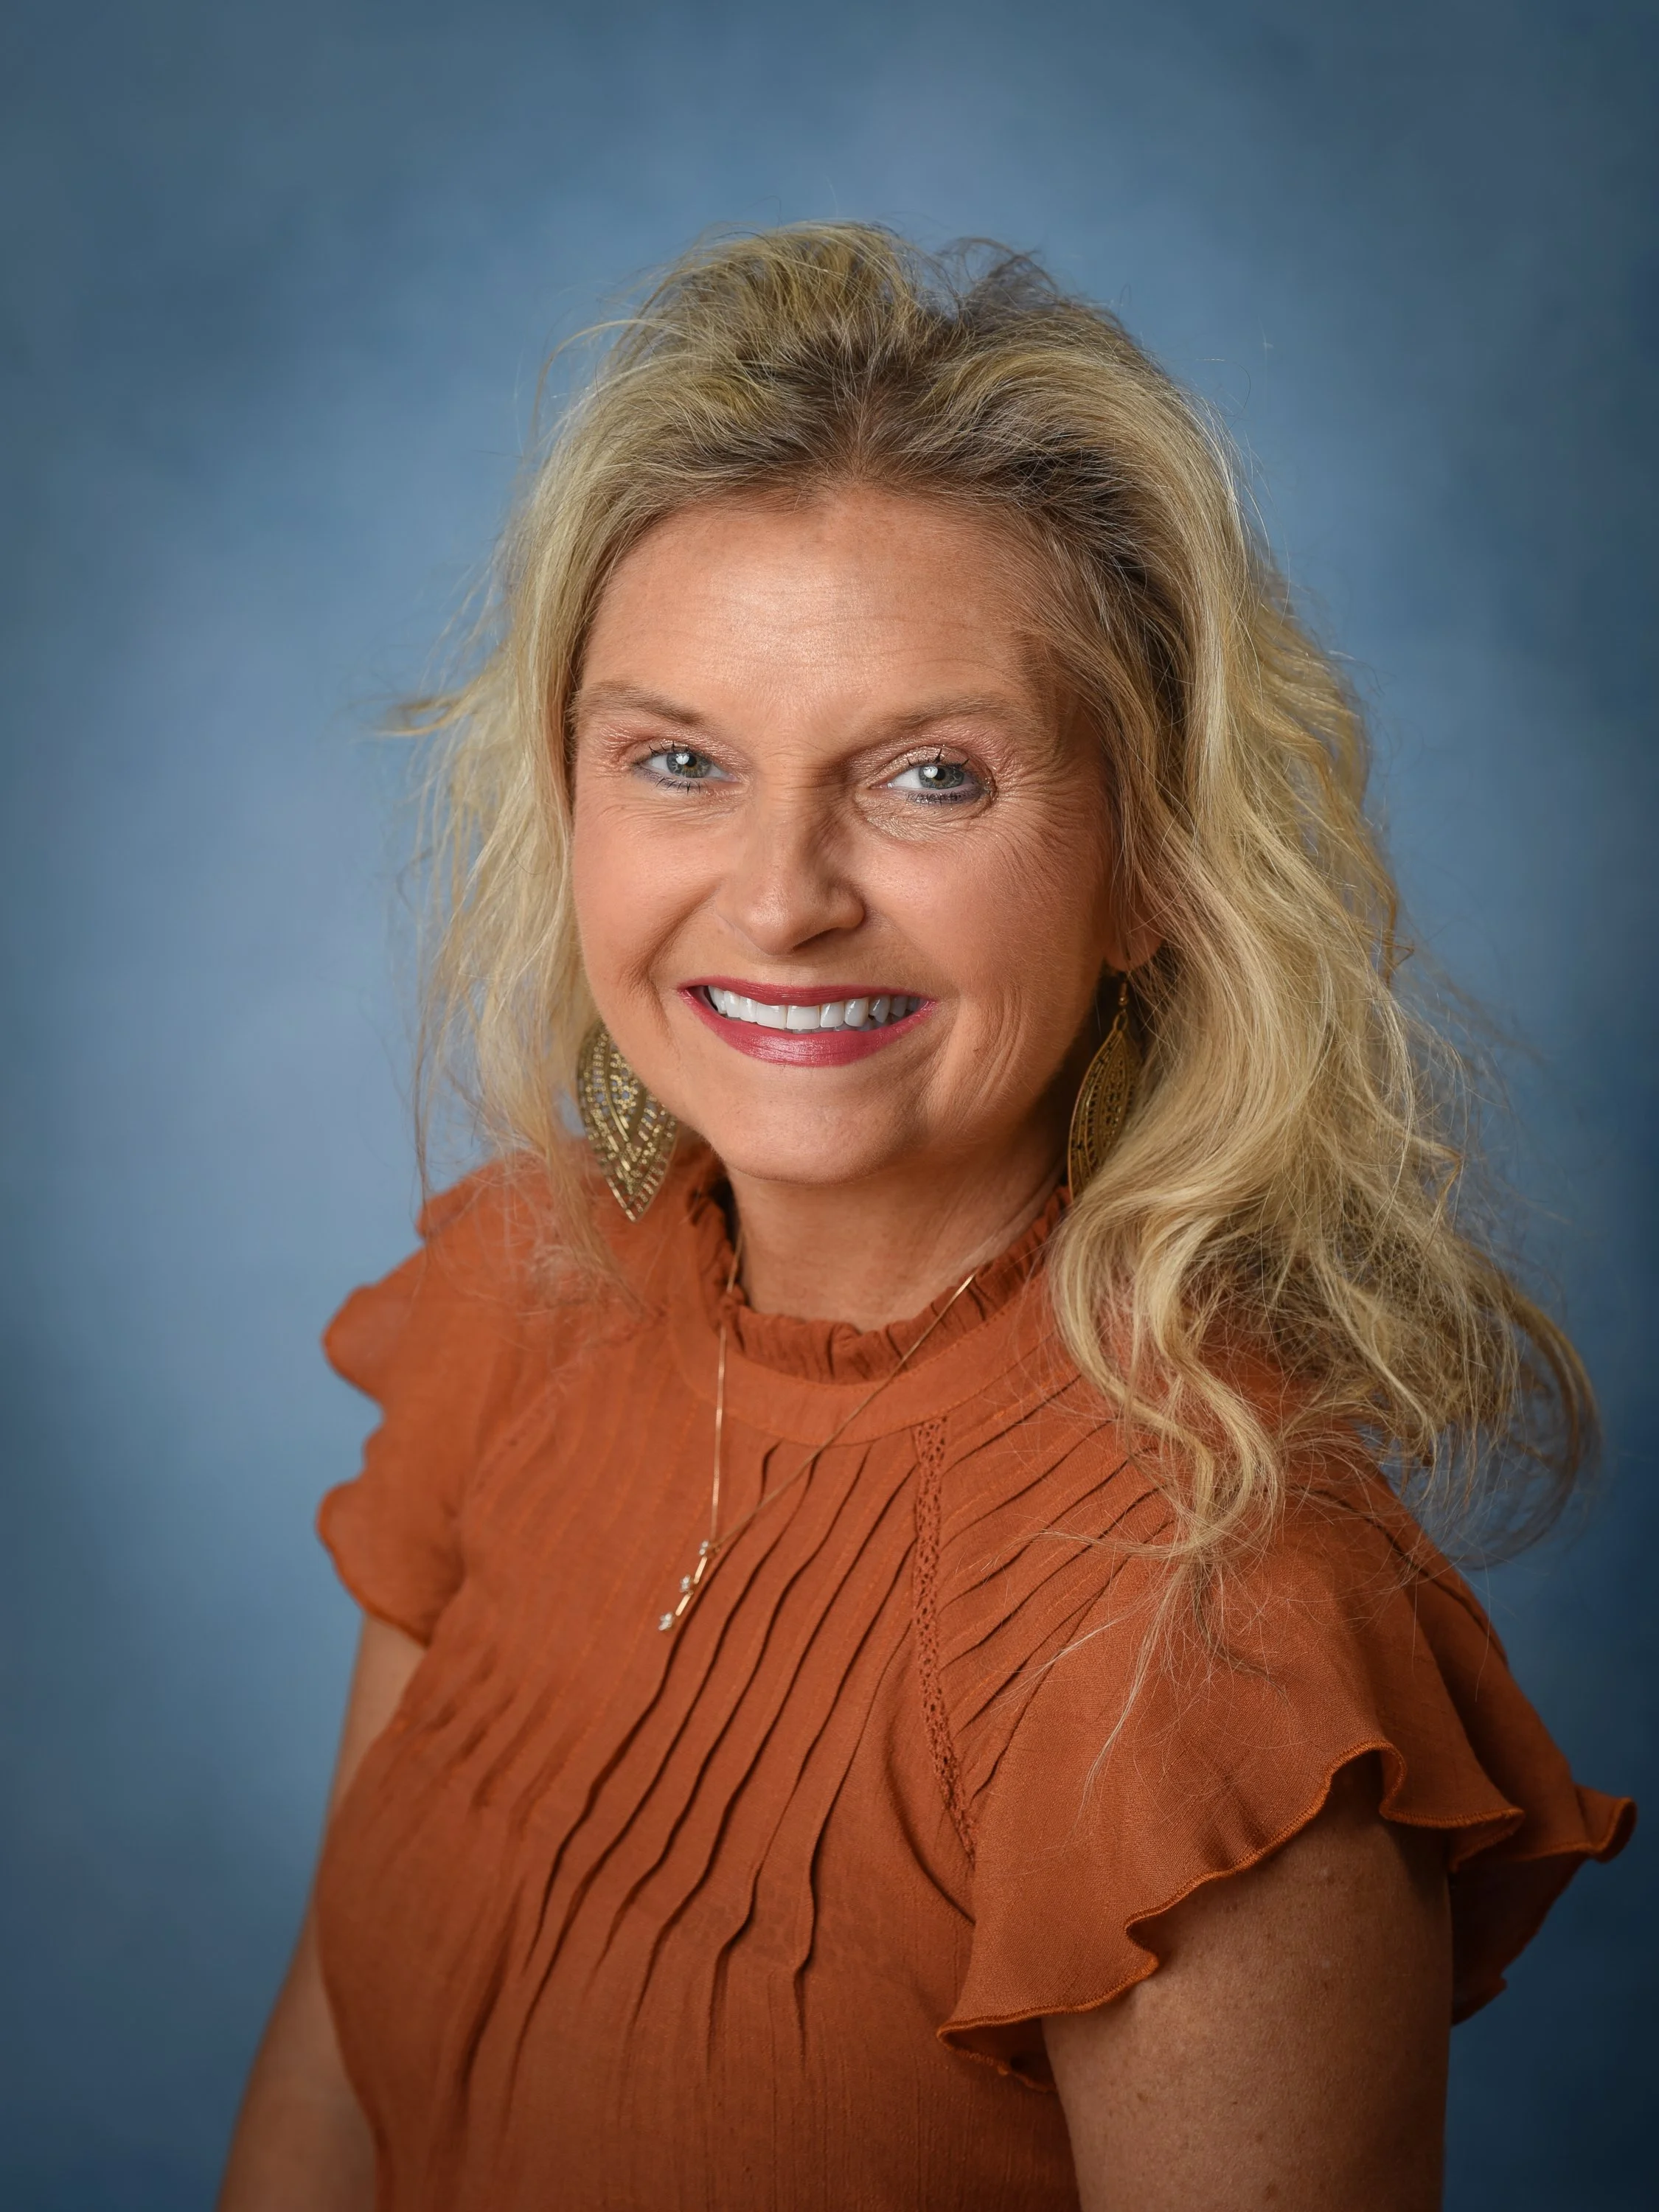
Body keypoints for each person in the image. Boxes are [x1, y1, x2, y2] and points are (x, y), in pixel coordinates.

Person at [218, 225, 1632, 2212]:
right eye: (682, 760)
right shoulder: (512, 1305)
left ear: (1150, 866)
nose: (783, 896)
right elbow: (331, 2099)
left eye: (933, 780)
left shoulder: (1210, 1636)